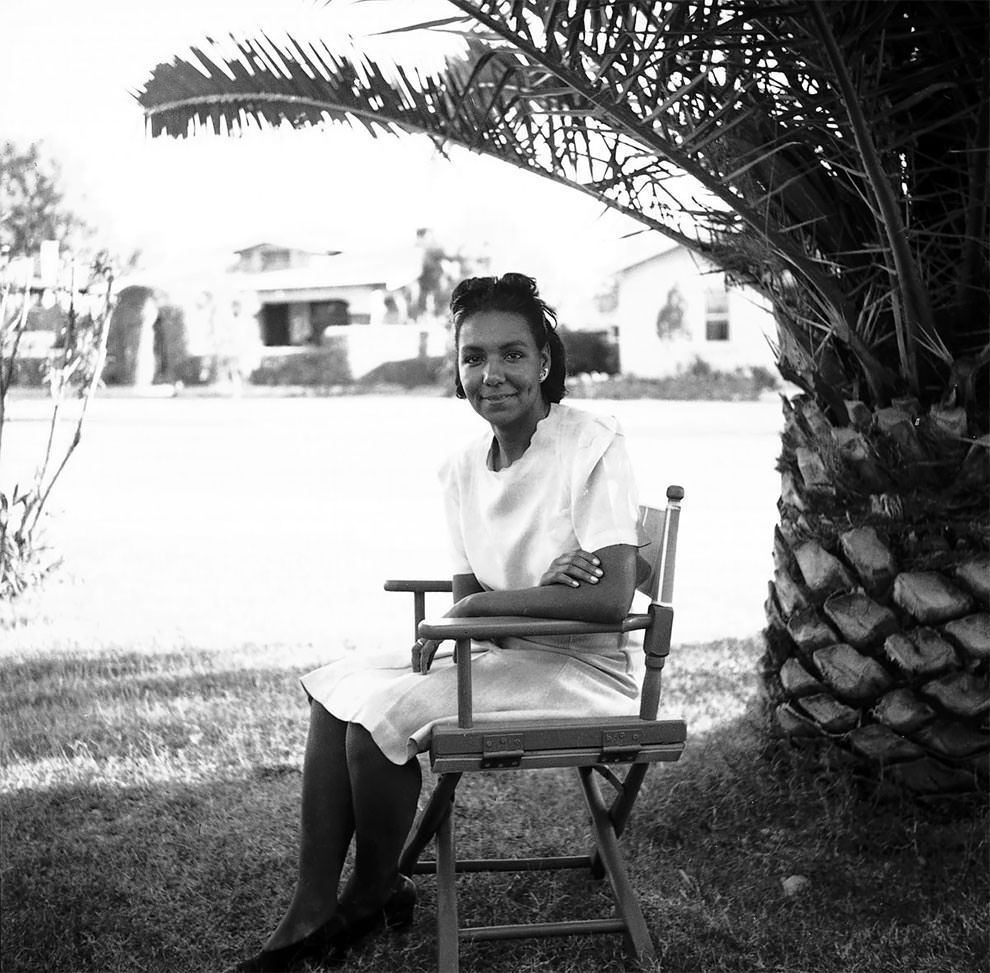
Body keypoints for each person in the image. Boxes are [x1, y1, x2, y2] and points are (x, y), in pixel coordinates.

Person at [230, 272, 643, 972]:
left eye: (513, 353)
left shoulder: (591, 443)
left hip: (580, 670)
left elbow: (609, 599)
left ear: (546, 360)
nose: (493, 373)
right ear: (458, 369)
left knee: (380, 724)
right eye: (474, 357)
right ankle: (307, 907)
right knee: (341, 687)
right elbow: (464, 598)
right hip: (501, 657)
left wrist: (491, 604)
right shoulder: (460, 469)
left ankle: (368, 895)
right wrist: (501, 602)